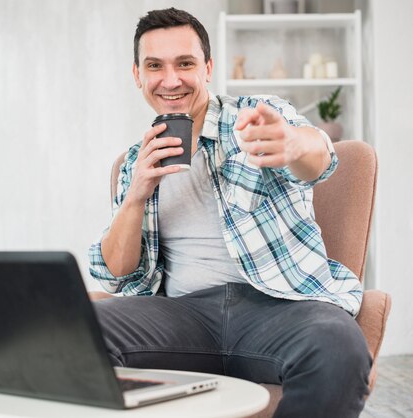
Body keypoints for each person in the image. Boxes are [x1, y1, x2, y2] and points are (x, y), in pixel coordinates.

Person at [88, 7, 371, 418]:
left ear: (207, 67)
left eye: (184, 63)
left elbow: (318, 155)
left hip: (278, 308)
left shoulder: (257, 117)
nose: (170, 79)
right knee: (75, 336)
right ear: (138, 76)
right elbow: (116, 273)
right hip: (182, 317)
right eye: (155, 66)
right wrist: (136, 195)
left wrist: (293, 144)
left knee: (337, 345)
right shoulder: (135, 161)